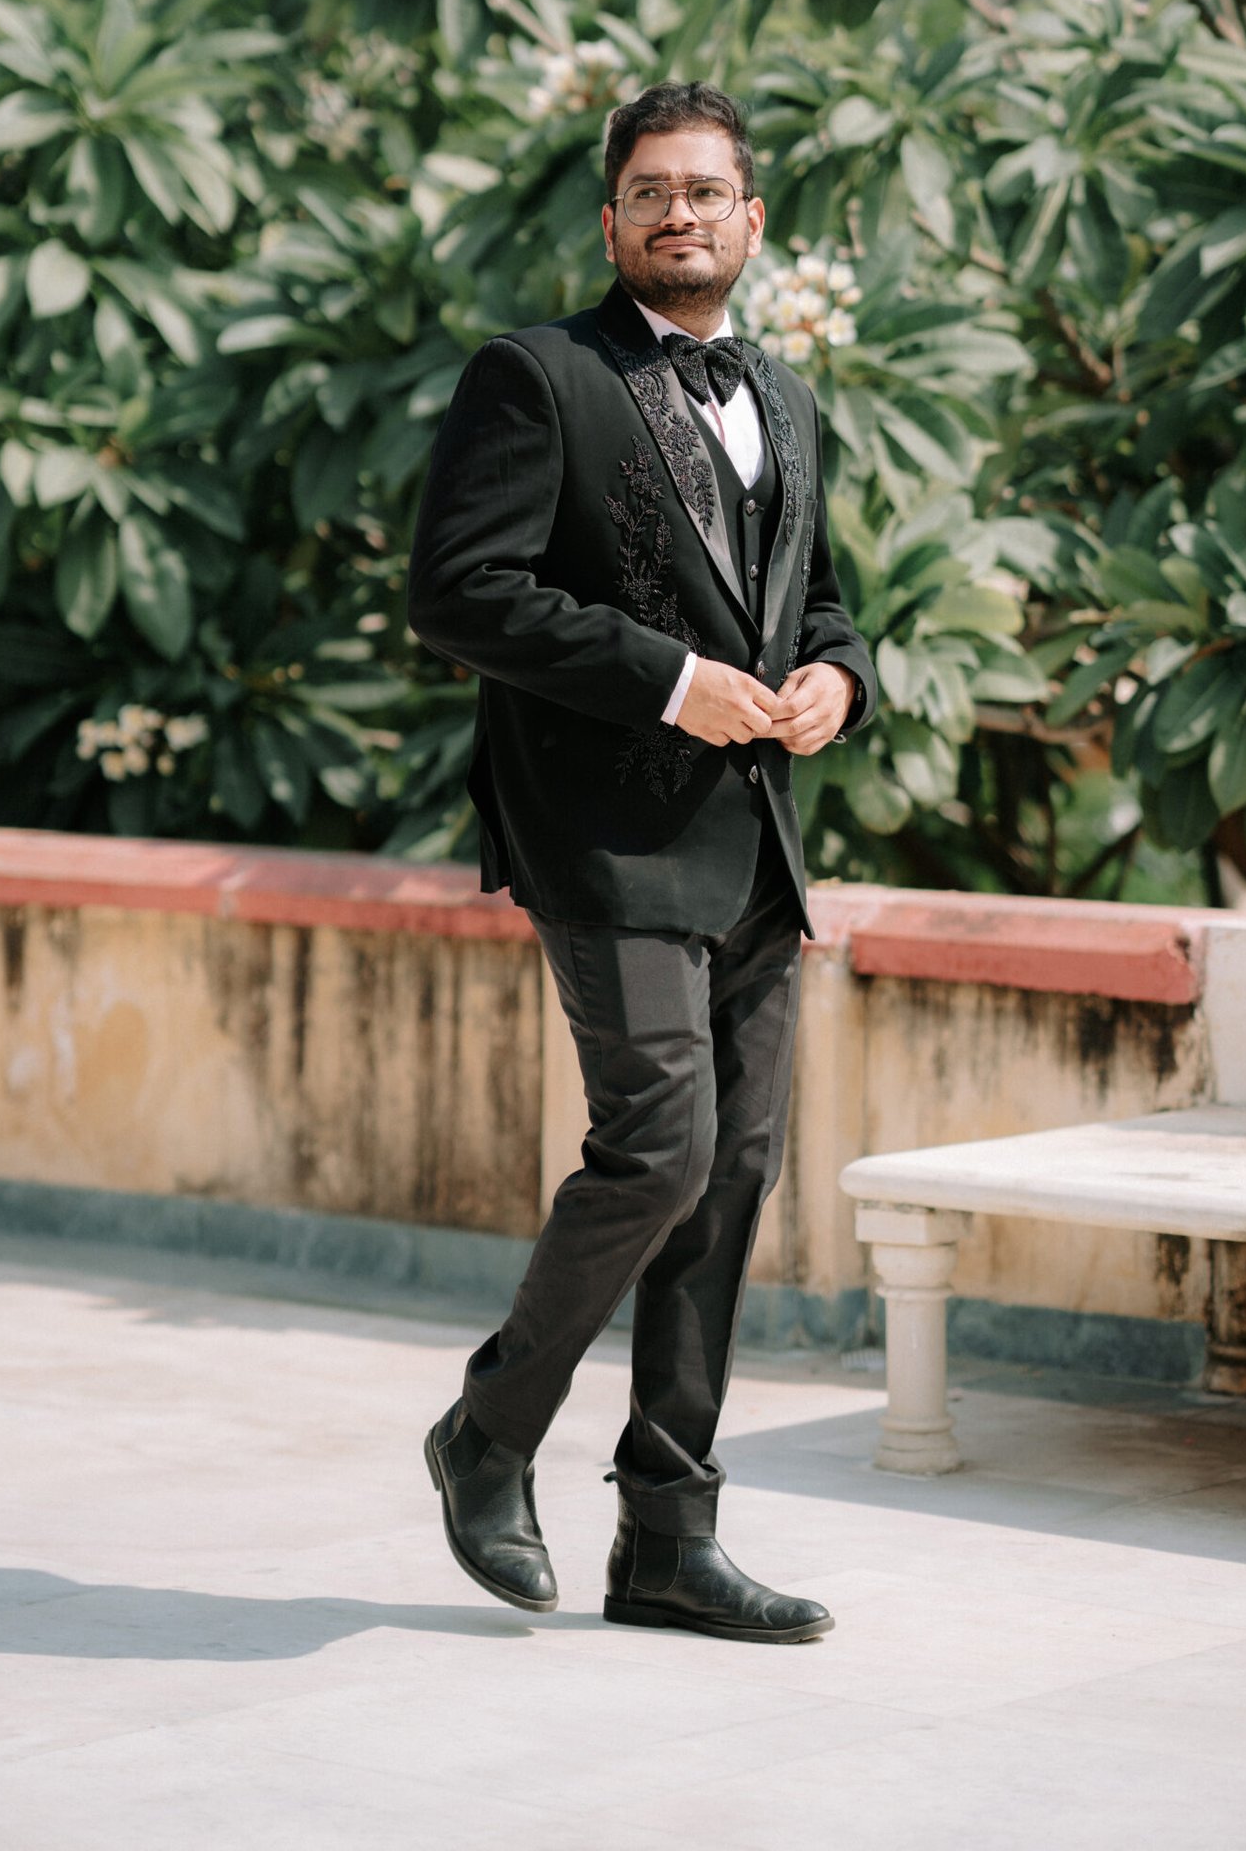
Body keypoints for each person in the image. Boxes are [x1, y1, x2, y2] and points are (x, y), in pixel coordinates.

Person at [407, 79, 876, 1644]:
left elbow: (825, 606)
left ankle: (668, 1542)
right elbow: (460, 591)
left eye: (708, 191)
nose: (681, 213)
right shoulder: (535, 376)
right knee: (663, 1147)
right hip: (603, 838)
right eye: (650, 193)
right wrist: (670, 679)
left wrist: (836, 682)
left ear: (753, 221)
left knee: (731, 1183)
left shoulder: (791, 404)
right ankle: (489, 1431)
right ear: (611, 223)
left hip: (755, 852)